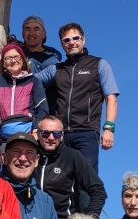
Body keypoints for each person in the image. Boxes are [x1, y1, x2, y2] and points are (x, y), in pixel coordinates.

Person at [44, 22, 118, 170]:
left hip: (86, 132)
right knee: (58, 179)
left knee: (86, 178)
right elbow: (30, 80)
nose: (71, 42)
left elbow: (111, 98)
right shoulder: (56, 70)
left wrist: (108, 129)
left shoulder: (99, 64)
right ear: (62, 44)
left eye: (75, 38)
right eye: (66, 40)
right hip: (60, 134)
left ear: (83, 40)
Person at [0, 42, 48, 155]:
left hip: (28, 135)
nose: (13, 60)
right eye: (8, 58)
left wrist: (36, 131)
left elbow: (42, 108)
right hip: (4, 138)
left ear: (23, 60)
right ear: (3, 63)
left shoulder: (33, 81)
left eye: (16, 57)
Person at [0, 132, 60, 219]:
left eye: (29, 153)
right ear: (4, 158)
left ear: (37, 160)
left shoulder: (45, 202)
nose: (23, 158)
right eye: (16, 152)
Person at [32, 116, 107, 219]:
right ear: (38, 134)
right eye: (45, 133)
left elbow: (98, 190)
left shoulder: (72, 156)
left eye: (56, 134)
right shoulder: (30, 156)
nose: (51, 138)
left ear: (62, 135)